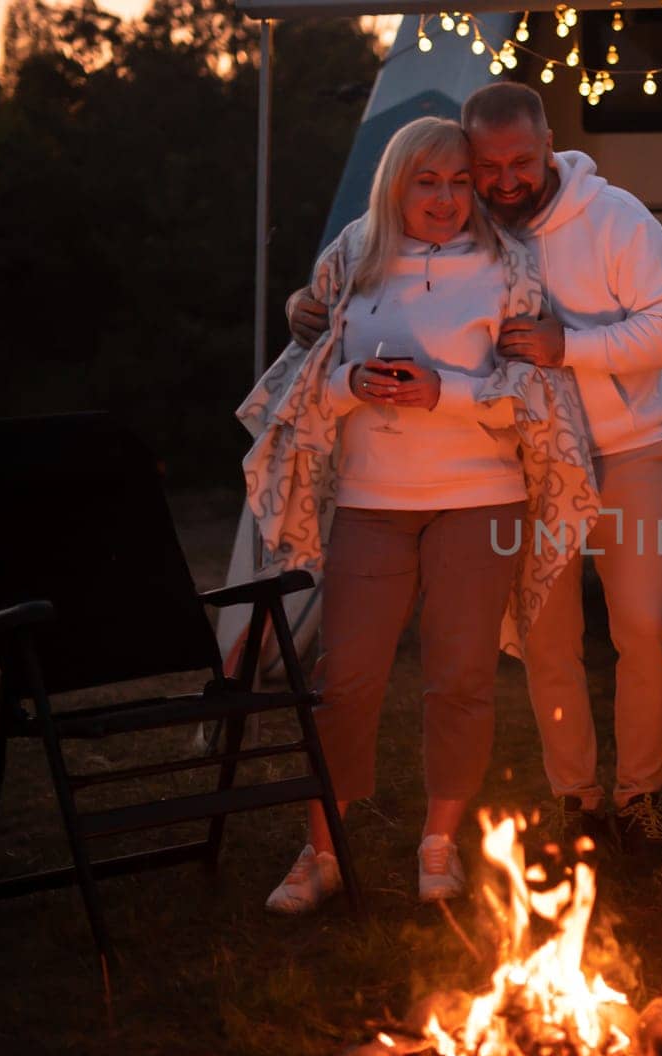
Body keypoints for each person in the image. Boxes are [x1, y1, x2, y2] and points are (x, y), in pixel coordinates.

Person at [289, 83, 662, 855]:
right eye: (487, 164)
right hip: (532, 458)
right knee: (547, 634)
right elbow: (378, 265)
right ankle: (576, 794)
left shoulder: (614, 218)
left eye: (521, 161)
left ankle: (639, 793)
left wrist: (567, 344)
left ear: (549, 146)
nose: (505, 179)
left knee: (641, 622)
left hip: (625, 447)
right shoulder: (473, 228)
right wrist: (302, 307)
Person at [246, 117, 595, 914]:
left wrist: (447, 393)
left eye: (458, 181)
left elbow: (537, 396)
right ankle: (321, 848)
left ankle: (439, 841)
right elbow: (309, 381)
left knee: (461, 676)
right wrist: (351, 387)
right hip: (373, 501)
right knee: (345, 679)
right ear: (394, 184)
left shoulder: (507, 265)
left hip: (480, 497)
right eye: (425, 181)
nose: (444, 199)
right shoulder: (351, 260)